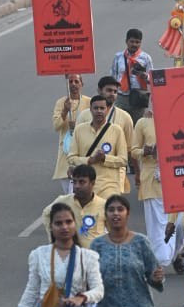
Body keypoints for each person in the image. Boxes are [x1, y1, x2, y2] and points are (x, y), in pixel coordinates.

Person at [129, 111, 173, 264]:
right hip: (152, 181)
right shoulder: (143, 122)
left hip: (174, 180)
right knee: (156, 227)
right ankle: (159, 260)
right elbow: (133, 150)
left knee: (177, 223)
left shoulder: (178, 117)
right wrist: (144, 151)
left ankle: (171, 253)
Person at [68, 94, 130, 199]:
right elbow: (71, 158)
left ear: (107, 110)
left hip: (109, 186)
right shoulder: (79, 130)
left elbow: (123, 160)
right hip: (85, 186)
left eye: (102, 108)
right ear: (90, 110)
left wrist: (105, 158)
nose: (99, 111)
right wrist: (89, 160)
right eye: (96, 108)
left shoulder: (117, 130)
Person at [46, 164, 107, 249]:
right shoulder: (64, 201)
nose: (77, 186)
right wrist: (53, 238)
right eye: (74, 182)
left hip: (95, 257)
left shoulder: (104, 205)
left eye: (82, 182)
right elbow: (46, 214)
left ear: (92, 183)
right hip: (70, 255)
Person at [52, 73, 88, 188]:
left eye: (76, 81)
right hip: (66, 153)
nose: (73, 84)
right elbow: (56, 126)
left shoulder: (89, 102)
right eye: (70, 82)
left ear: (82, 84)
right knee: (69, 197)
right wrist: (64, 111)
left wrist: (77, 126)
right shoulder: (61, 102)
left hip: (83, 151)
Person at [111, 30, 153, 121]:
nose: (134, 44)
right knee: (120, 124)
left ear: (140, 43)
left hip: (138, 97)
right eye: (132, 41)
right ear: (126, 41)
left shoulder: (146, 58)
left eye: (137, 42)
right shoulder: (118, 57)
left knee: (137, 126)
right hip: (121, 97)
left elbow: (152, 79)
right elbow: (113, 76)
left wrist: (145, 76)